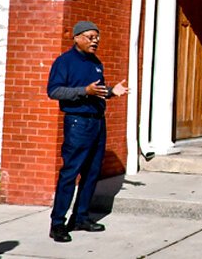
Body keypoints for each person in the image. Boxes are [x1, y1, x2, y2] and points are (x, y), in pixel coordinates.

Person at [47, 20, 127, 242]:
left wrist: (112, 91)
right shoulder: (65, 62)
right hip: (77, 123)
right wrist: (84, 91)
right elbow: (54, 91)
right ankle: (58, 224)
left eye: (97, 37)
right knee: (70, 173)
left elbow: (97, 91)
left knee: (92, 172)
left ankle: (81, 217)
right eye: (91, 37)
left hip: (97, 123)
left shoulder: (96, 63)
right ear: (77, 37)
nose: (95, 41)